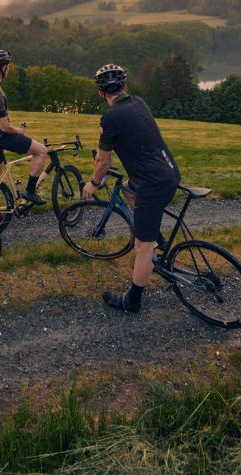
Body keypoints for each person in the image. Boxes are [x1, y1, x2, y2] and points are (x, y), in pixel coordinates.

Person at [82, 64, 180, 313]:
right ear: (125, 87)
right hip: (168, 172)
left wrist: (93, 184)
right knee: (127, 187)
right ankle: (157, 235)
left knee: (142, 248)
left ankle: (133, 300)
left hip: (152, 184)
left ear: (101, 93)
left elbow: (103, 161)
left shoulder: (110, 118)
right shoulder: (139, 102)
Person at [0, 48, 49, 204]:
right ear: (3, 68)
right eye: (8, 65)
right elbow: (4, 127)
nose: (9, 68)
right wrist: (18, 130)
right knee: (41, 151)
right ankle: (30, 191)